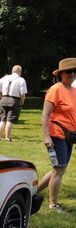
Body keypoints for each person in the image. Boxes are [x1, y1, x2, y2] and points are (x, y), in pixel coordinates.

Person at [36, 58, 76, 213]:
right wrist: (47, 137)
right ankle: (53, 204)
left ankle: (33, 193)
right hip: (57, 134)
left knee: (57, 169)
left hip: (69, 136)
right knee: (59, 169)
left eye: (74, 71)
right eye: (68, 71)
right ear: (61, 74)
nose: (71, 74)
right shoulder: (55, 89)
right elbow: (45, 115)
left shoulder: (73, 91)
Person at [0, 65, 27, 142]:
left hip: (4, 99)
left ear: (12, 71)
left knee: (3, 119)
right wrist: (22, 102)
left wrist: (1, 96)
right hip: (14, 100)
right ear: (20, 72)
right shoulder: (21, 80)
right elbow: (22, 94)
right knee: (10, 120)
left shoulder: (5, 78)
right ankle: (7, 137)